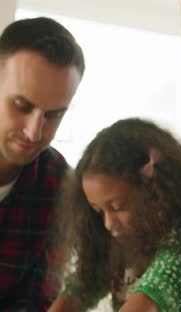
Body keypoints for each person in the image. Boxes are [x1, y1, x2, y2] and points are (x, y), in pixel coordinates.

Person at [48, 118, 181, 311]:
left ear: (155, 193)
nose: (108, 223)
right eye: (98, 211)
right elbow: (75, 295)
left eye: (117, 207)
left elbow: (144, 306)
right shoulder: (120, 244)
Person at [0, 17, 84, 310]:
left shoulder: (59, 184)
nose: (34, 133)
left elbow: (36, 301)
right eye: (22, 106)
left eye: (54, 115)